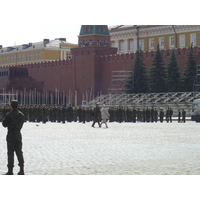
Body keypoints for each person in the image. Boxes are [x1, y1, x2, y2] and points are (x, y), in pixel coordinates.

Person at [2, 100, 25, 175]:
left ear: (11, 106)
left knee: (10, 153)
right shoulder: (21, 115)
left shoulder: (9, 114)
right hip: (18, 134)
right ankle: (21, 169)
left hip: (11, 135)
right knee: (19, 152)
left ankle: (10, 170)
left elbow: (4, 124)